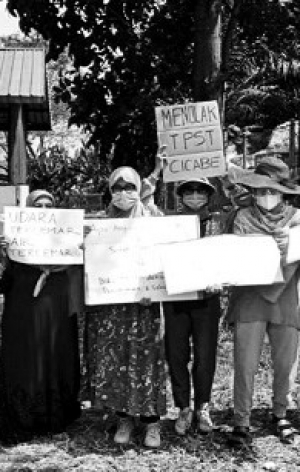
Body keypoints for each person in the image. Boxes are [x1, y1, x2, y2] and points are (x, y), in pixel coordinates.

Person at [226, 156, 300, 447]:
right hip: (249, 297)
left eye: (272, 190)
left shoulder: (299, 219)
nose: (266, 195)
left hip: (285, 298)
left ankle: (281, 412)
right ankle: (241, 420)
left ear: (284, 192)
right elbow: (234, 253)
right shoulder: (241, 217)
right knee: (245, 361)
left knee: (286, 361)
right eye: (260, 190)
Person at [85, 166, 167, 448]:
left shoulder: (153, 219)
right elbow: (89, 260)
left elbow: (167, 251)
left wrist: (154, 287)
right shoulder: (101, 223)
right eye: (117, 188)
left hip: (145, 305)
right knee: (117, 359)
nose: (123, 194)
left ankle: (151, 422)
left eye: (129, 187)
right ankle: (124, 418)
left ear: (138, 190)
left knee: (147, 358)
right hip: (112, 306)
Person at [0, 190, 83, 444]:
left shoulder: (67, 243)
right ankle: (23, 420)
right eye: (37, 205)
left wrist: (82, 249)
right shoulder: (14, 243)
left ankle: (56, 419)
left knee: (56, 357)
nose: (43, 210)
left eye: (49, 205)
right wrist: (2, 258)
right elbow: (0, 285)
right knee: (25, 361)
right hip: (23, 313)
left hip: (57, 311)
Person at [162, 178, 224, 435]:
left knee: (205, 355)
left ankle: (203, 407)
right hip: (175, 297)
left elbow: (227, 255)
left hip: (207, 299)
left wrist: (221, 279)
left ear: (209, 195)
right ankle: (182, 408)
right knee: (175, 354)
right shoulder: (168, 223)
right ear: (181, 195)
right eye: (189, 190)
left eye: (201, 191)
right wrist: (156, 172)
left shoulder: (219, 223)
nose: (195, 195)